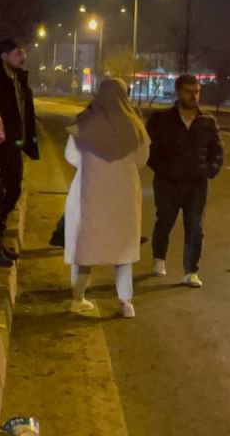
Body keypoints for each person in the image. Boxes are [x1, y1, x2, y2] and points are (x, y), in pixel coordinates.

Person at [64, 78, 150, 318]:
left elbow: (71, 156)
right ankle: (126, 303)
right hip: (123, 194)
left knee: (86, 243)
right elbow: (142, 160)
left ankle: (78, 297)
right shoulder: (135, 125)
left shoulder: (85, 121)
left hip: (90, 191)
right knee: (123, 245)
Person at [147, 74, 224, 288]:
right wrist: (163, 170)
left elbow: (217, 151)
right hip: (167, 183)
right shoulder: (161, 120)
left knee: (195, 227)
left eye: (197, 91)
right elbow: (150, 150)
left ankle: (191, 271)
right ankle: (159, 259)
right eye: (189, 91)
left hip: (196, 184)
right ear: (178, 92)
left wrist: (210, 170)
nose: (194, 96)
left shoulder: (207, 121)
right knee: (164, 221)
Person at [0, 39, 39, 267]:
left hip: (14, 149)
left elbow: (25, 114)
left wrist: (30, 143)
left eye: (23, 52)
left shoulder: (18, 80)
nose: (22, 57)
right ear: (3, 55)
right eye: (17, 53)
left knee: (12, 193)